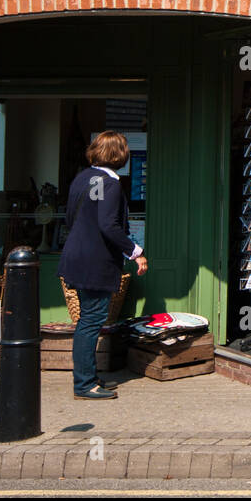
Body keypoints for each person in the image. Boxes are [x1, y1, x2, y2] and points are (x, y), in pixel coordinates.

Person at [57, 131, 148, 399]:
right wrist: (135, 252)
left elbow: (72, 218)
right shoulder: (109, 184)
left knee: (87, 320)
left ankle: (88, 377)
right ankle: (84, 384)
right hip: (95, 261)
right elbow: (108, 224)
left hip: (76, 256)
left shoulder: (83, 178)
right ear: (120, 155)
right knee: (91, 321)